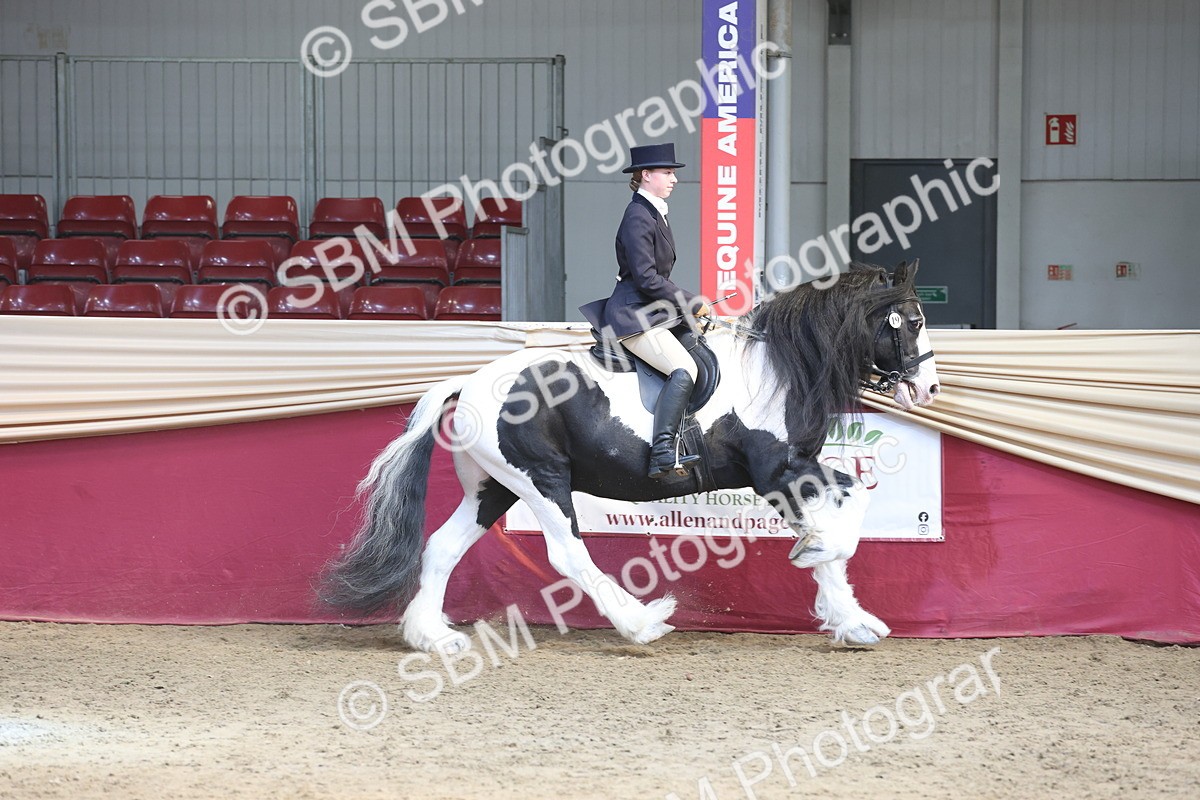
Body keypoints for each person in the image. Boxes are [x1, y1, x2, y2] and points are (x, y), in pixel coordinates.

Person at [579, 143, 711, 479]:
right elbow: (647, 278)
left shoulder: (654, 212)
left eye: (673, 173)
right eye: (667, 172)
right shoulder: (638, 215)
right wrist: (691, 301)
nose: (674, 179)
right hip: (633, 315)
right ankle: (663, 451)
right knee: (683, 368)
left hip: (651, 309)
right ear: (646, 175)